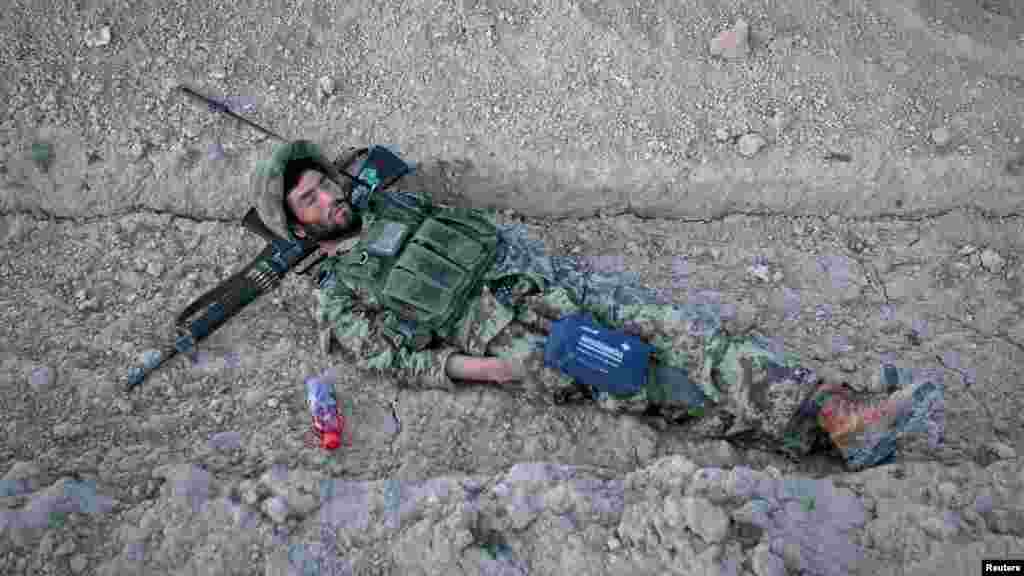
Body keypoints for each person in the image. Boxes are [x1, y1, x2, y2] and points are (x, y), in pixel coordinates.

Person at [252, 140, 944, 471]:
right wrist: (485, 371)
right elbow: (393, 359)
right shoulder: (341, 289)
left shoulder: (393, 201)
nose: (328, 198)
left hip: (553, 289)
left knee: (687, 337)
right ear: (299, 225)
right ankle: (833, 428)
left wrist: (560, 278)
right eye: (308, 200)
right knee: (660, 382)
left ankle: (835, 411)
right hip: (517, 344)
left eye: (324, 183)